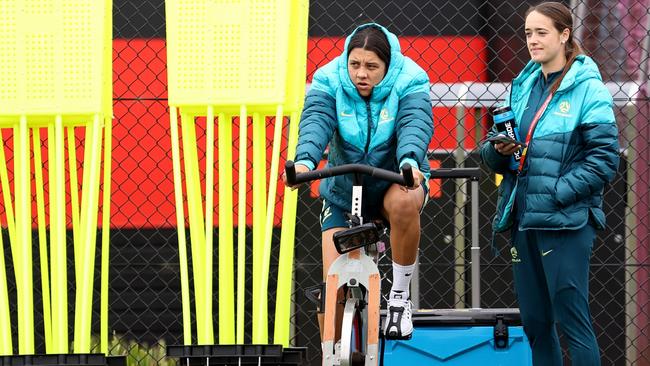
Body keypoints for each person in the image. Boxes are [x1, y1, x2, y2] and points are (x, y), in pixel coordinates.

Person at [480, 2, 619, 365]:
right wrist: (498, 151)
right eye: (528, 33)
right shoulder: (523, 85)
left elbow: (605, 160)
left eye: (542, 32)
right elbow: (494, 150)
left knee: (573, 321)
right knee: (536, 324)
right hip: (523, 217)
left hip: (565, 220)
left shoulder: (589, 89)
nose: (533, 40)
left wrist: (557, 193)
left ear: (564, 34)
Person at [282, 23, 433, 339]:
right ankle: (330, 354)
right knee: (332, 287)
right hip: (345, 190)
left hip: (395, 180)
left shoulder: (411, 79)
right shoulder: (328, 78)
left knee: (404, 201)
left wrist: (409, 162)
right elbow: (316, 122)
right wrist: (306, 162)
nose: (361, 73)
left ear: (387, 66)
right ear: (346, 61)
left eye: (371, 66)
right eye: (355, 64)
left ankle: (399, 299)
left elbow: (414, 123)